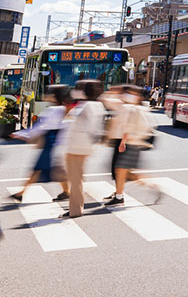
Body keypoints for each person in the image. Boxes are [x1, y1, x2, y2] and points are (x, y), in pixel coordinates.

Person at [11, 84, 71, 203]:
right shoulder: (64, 108)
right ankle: (67, 192)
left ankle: (21, 193)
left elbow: (40, 128)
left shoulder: (53, 110)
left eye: (49, 93)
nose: (46, 95)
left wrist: (21, 134)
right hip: (57, 143)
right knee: (56, 169)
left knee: (38, 169)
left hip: (50, 143)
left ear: (54, 95)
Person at [105, 86, 160, 206]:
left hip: (129, 143)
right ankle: (119, 194)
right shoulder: (138, 107)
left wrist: (123, 142)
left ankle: (120, 196)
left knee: (122, 170)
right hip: (134, 142)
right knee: (122, 171)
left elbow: (127, 128)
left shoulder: (129, 108)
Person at [61, 79, 105, 219]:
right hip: (76, 147)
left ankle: (76, 210)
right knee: (75, 178)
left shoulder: (88, 106)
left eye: (79, 87)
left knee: (76, 179)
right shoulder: (91, 105)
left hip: (78, 147)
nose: (75, 90)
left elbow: (90, 128)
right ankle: (76, 204)